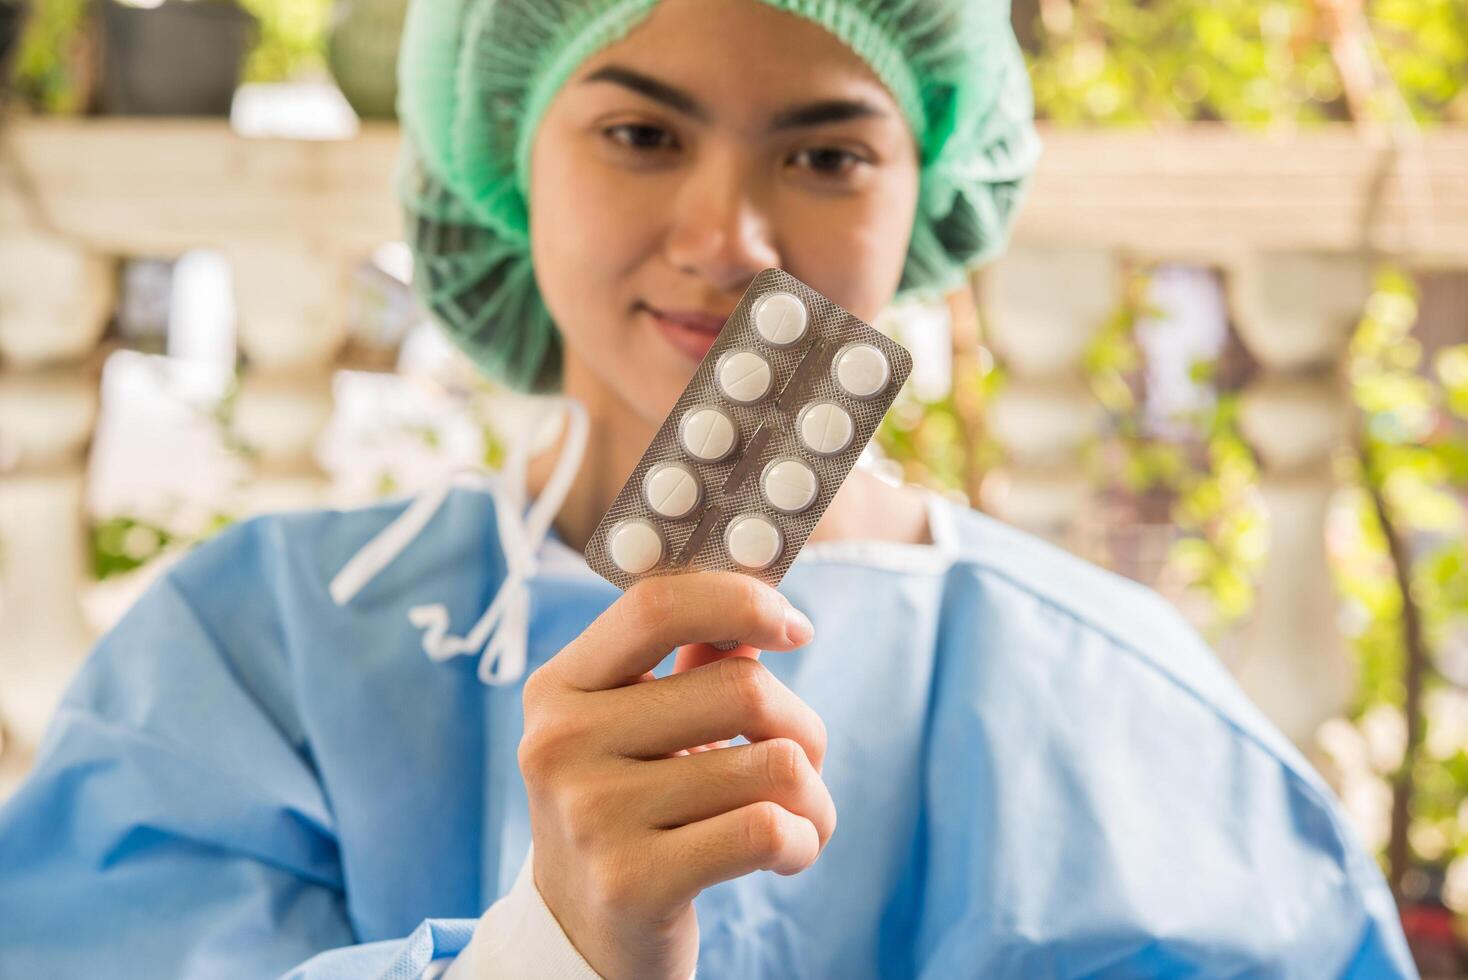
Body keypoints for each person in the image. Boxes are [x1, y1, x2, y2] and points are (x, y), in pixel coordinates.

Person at [0, 0, 1418, 977]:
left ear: (928, 187)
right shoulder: (260, 659)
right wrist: (546, 953)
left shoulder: (1121, 713)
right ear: (505, 157)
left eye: (824, 154)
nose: (730, 236)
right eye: (640, 134)